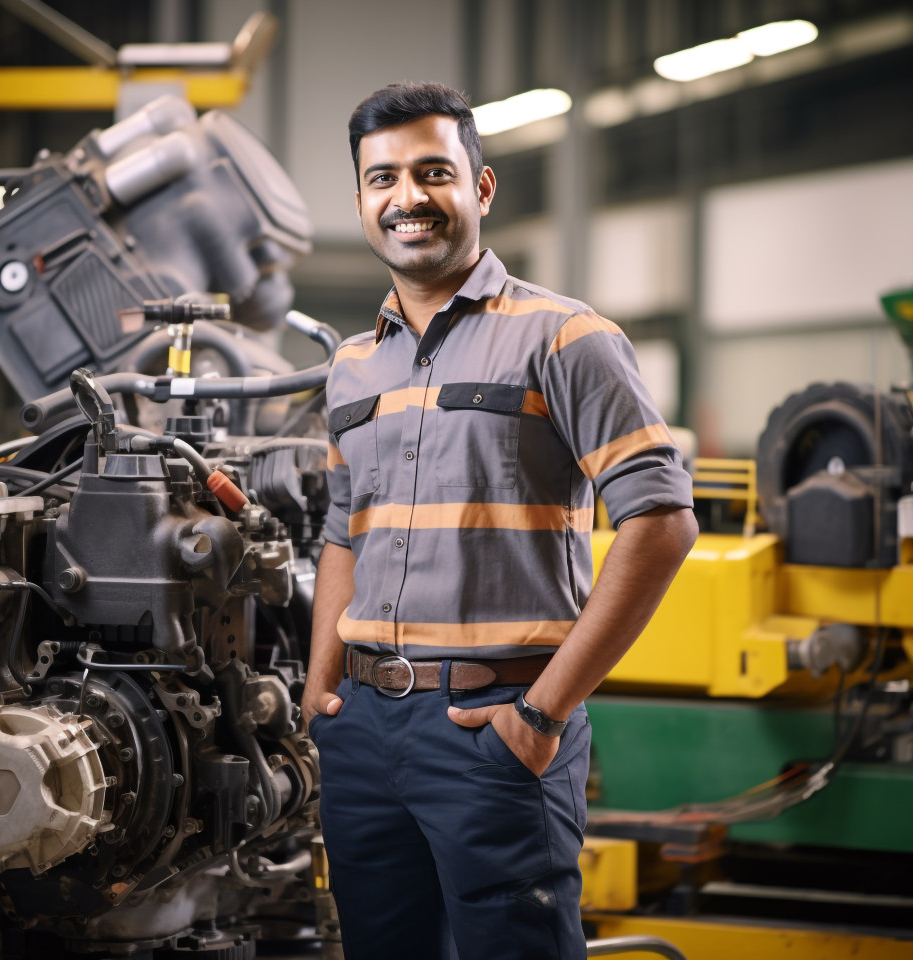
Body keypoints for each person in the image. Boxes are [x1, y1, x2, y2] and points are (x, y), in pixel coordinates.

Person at [300, 81, 698, 960]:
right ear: (363, 200)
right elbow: (341, 534)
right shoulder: (352, 367)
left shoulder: (564, 337)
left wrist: (543, 716)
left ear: (480, 188)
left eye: (433, 173)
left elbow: (662, 522)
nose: (407, 197)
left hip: (494, 724)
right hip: (363, 730)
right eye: (383, 179)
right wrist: (320, 691)